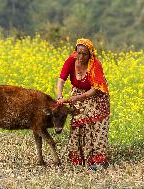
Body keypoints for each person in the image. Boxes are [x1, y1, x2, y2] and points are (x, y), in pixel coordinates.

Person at [56, 38, 110, 171]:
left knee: (96, 126)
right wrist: (59, 96)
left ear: (90, 54)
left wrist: (76, 98)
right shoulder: (71, 60)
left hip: (96, 97)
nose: (80, 57)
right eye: (78, 53)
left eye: (84, 54)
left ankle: (98, 161)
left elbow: (95, 89)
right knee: (78, 125)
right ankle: (80, 159)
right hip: (78, 95)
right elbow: (61, 79)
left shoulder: (95, 65)